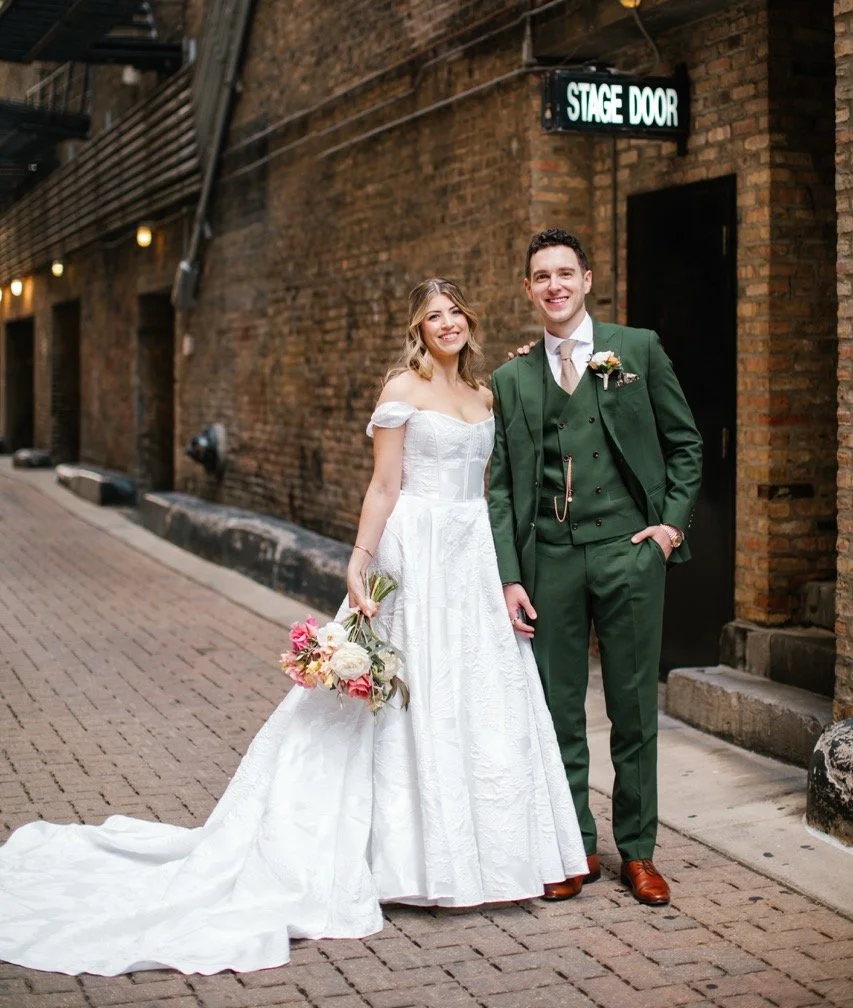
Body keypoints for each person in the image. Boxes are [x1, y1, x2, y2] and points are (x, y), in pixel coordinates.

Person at [0, 277, 587, 978]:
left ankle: (485, 853)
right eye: (433, 316)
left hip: (470, 557)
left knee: (475, 693)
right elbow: (384, 486)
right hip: (416, 551)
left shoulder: (487, 394)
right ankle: (405, 859)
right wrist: (359, 559)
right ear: (418, 329)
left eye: (455, 312)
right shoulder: (401, 389)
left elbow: (503, 469)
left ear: (469, 321)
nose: (447, 323)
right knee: (405, 694)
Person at [488, 229, 702, 906]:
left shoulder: (634, 350)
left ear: (585, 280)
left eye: (564, 273)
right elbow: (500, 487)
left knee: (633, 708)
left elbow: (685, 443)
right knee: (558, 711)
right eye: (540, 277)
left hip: (627, 551)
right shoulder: (511, 378)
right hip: (549, 559)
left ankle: (637, 851)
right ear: (528, 290)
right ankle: (573, 843)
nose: (553, 286)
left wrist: (668, 529)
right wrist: (509, 575)